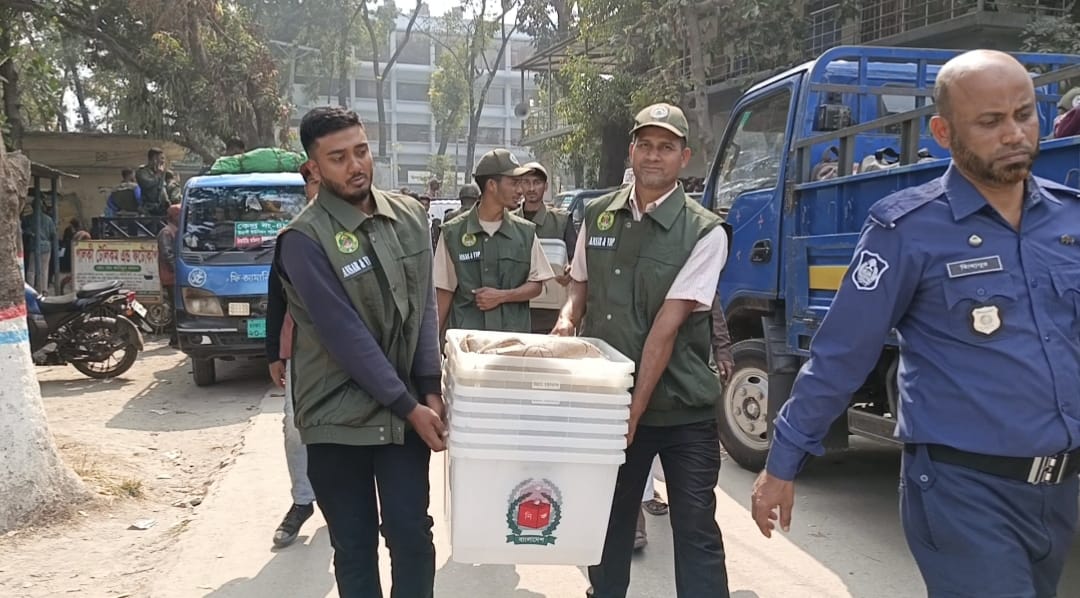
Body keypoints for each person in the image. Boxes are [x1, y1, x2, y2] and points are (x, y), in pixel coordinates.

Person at [751, 50, 1080, 598]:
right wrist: (782, 463)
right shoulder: (907, 229)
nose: (1014, 134)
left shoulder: (1071, 218)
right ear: (943, 133)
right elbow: (841, 355)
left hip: (1058, 491)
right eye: (990, 121)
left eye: (1024, 114)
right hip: (964, 492)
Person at [554, 102, 730, 598]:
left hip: (682, 412)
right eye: (645, 145)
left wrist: (633, 413)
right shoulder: (598, 215)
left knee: (695, 529)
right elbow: (580, 284)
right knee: (609, 523)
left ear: (684, 158)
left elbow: (666, 329)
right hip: (608, 403)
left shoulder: (705, 231)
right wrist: (567, 319)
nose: (654, 156)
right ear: (631, 151)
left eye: (666, 147)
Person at [275, 106, 445, 597]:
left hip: (403, 415)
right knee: (354, 547)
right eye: (338, 158)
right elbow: (344, 336)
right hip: (336, 419)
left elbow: (423, 308)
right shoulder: (303, 240)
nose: (355, 166)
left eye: (361, 151)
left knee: (412, 536)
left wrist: (430, 386)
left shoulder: (409, 216)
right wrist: (410, 406)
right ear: (313, 168)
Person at [638, 295, 735, 548]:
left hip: (682, 379)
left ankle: (649, 498)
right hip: (629, 364)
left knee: (694, 512)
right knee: (626, 467)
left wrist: (722, 347)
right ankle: (635, 518)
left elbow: (710, 299)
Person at [435, 149, 555, 335]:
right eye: (514, 183)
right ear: (492, 185)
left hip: (512, 341)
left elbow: (537, 285)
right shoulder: (453, 233)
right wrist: (433, 343)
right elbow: (444, 292)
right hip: (467, 342)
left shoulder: (525, 233)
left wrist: (503, 296)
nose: (520, 190)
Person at [265, 161, 321, 548]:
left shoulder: (360, 235)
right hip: (302, 350)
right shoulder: (291, 238)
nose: (318, 188)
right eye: (312, 182)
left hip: (355, 352)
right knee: (295, 427)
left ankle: (344, 501)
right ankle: (302, 501)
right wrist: (274, 353)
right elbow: (276, 299)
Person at [513, 161, 577, 333]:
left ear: (546, 186)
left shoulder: (562, 221)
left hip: (551, 310)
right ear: (520, 185)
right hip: (516, 308)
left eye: (537, 182)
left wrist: (570, 271)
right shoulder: (509, 221)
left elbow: (575, 258)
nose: (531, 188)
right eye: (526, 182)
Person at [157, 205, 180, 347]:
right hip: (172, 277)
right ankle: (175, 339)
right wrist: (178, 271)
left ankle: (176, 338)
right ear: (173, 217)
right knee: (176, 308)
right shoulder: (166, 232)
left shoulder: (176, 230)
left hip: (175, 276)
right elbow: (167, 254)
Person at [136, 148, 169, 216]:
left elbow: (162, 188)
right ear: (154, 159)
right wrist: (157, 175)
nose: (163, 161)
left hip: (162, 209)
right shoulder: (142, 172)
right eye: (161, 158)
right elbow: (146, 185)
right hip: (148, 209)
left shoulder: (161, 172)